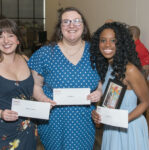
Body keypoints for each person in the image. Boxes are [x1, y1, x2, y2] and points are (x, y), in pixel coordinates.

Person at [28, 7, 101, 150]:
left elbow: (101, 82)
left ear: (84, 27)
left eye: (76, 21)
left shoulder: (96, 52)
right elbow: (36, 86)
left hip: (84, 121)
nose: (71, 25)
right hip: (55, 121)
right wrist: (43, 99)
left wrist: (99, 91)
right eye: (66, 21)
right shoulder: (44, 54)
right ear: (60, 28)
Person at [90, 22, 149, 150]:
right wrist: (99, 115)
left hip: (130, 128)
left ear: (121, 43)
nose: (107, 45)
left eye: (113, 40)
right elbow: (110, 100)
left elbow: (146, 101)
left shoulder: (130, 70)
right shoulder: (107, 68)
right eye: (103, 40)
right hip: (111, 128)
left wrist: (124, 120)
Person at [0, 18, 37, 149]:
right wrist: (1, 113)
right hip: (3, 132)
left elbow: (35, 90)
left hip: (27, 130)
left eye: (10, 35)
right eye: (0, 36)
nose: (5, 41)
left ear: (18, 39)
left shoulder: (26, 60)